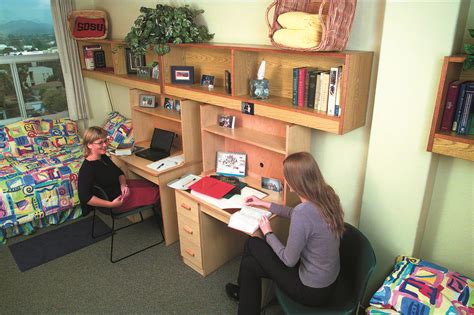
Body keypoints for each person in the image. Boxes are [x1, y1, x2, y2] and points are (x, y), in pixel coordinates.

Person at [225, 152, 345, 314]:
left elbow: (288, 260)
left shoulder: (303, 213)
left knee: (252, 243)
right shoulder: (327, 195)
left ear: (293, 182)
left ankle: (243, 292)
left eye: (286, 176)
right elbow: (296, 213)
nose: (285, 180)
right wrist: (264, 204)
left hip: (311, 290)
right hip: (328, 281)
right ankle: (244, 293)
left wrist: (268, 233)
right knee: (249, 264)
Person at [78, 126, 160, 216]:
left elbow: (119, 173)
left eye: (105, 141)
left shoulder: (103, 157)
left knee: (154, 185)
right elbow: (85, 197)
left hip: (119, 189)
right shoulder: (87, 169)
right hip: (115, 201)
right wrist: (111, 204)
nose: (105, 145)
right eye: (100, 143)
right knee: (158, 193)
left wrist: (123, 185)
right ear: (89, 145)